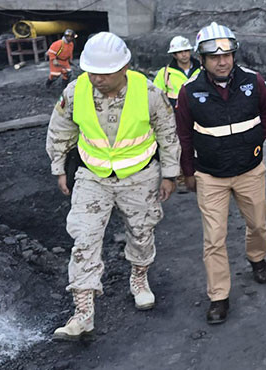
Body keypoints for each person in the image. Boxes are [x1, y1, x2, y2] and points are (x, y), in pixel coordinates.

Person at [46, 32, 180, 340]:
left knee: (141, 232)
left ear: (125, 67)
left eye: (105, 73)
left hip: (139, 176)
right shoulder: (75, 90)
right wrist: (59, 168)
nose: (97, 79)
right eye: (92, 72)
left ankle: (139, 279)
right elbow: (60, 129)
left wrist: (170, 174)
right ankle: (83, 313)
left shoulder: (149, 92)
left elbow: (167, 133)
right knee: (84, 238)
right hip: (92, 176)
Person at [174, 22, 266, 325]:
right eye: (214, 57)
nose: (222, 62)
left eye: (227, 55)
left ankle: (257, 258)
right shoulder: (190, 92)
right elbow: (184, 135)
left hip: (249, 171)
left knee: (257, 224)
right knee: (214, 238)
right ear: (202, 59)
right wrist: (188, 172)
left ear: (234, 55)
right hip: (210, 176)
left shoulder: (254, 82)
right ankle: (219, 296)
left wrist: (252, 144)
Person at [153, 36, 201, 108]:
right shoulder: (165, 73)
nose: (184, 54)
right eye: (180, 52)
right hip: (175, 112)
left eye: (186, 51)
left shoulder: (201, 70)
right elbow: (156, 96)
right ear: (174, 55)